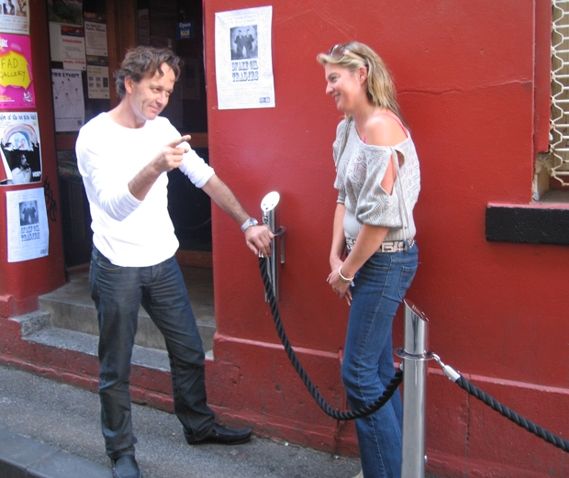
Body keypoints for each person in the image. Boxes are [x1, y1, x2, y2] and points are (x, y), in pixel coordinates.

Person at [75, 46, 273, 478]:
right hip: (116, 266)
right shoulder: (94, 137)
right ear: (129, 83)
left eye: (167, 89)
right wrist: (153, 167)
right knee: (117, 366)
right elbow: (113, 207)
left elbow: (205, 176)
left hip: (162, 261)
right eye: (154, 87)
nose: (161, 98)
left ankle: (198, 425)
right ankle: (121, 452)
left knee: (187, 350)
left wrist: (246, 223)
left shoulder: (162, 126)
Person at [317, 41, 420, 478]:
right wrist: (334, 252)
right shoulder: (348, 128)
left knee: (358, 376)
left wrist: (347, 271)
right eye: (326, 80)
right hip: (362, 261)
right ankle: (395, 466)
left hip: (386, 261)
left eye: (334, 78)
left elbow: (381, 220)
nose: (328, 89)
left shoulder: (380, 128)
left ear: (361, 74)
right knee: (375, 371)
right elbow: (345, 196)